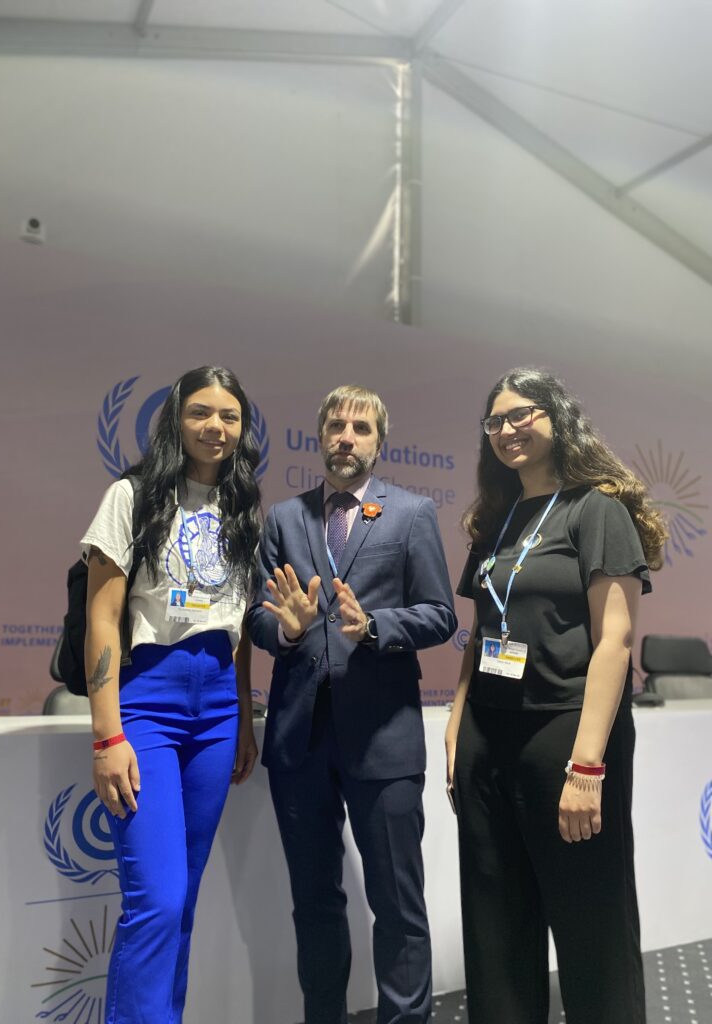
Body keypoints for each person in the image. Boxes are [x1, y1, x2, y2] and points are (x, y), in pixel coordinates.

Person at [445, 368, 667, 1024]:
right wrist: (459, 726)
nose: (508, 430)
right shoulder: (496, 520)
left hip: (567, 736)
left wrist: (589, 766)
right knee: (496, 925)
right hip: (489, 732)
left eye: (523, 415)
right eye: (495, 421)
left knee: (590, 922)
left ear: (556, 418)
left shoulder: (597, 510)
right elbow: (482, 633)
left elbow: (615, 641)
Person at [247, 384, 456, 1024]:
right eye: (336, 425)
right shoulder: (284, 518)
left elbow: (440, 615)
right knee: (314, 901)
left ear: (378, 442)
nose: (346, 437)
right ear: (319, 436)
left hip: (383, 739)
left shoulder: (412, 514)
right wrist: (285, 628)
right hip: (298, 740)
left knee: (398, 903)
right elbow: (257, 616)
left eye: (360, 428)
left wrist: (373, 628)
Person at [81, 365, 261, 1023]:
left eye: (230, 416)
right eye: (201, 413)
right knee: (154, 899)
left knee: (180, 898)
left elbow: (237, 626)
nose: (216, 427)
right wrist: (108, 737)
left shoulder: (243, 507)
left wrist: (242, 721)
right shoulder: (130, 496)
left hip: (216, 707)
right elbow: (103, 619)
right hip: (148, 703)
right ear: (176, 419)